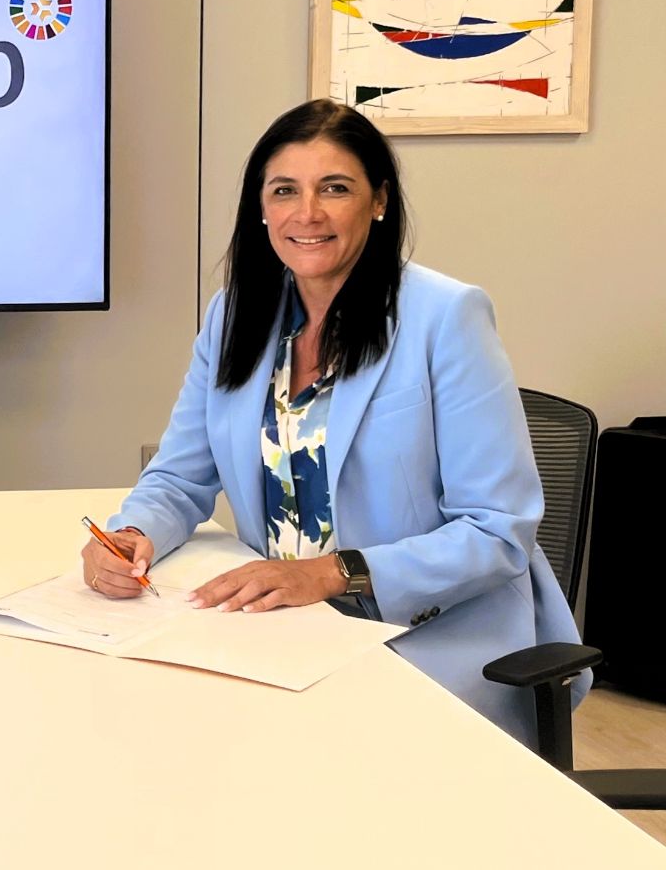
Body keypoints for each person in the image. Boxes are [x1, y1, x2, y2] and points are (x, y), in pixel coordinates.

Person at [83, 99, 588, 745]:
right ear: (260, 207)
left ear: (378, 201)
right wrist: (127, 535)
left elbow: (498, 531)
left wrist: (327, 572)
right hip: (283, 635)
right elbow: (179, 478)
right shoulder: (236, 314)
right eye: (285, 190)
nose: (308, 213)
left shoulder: (445, 317)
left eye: (336, 188)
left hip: (423, 645)